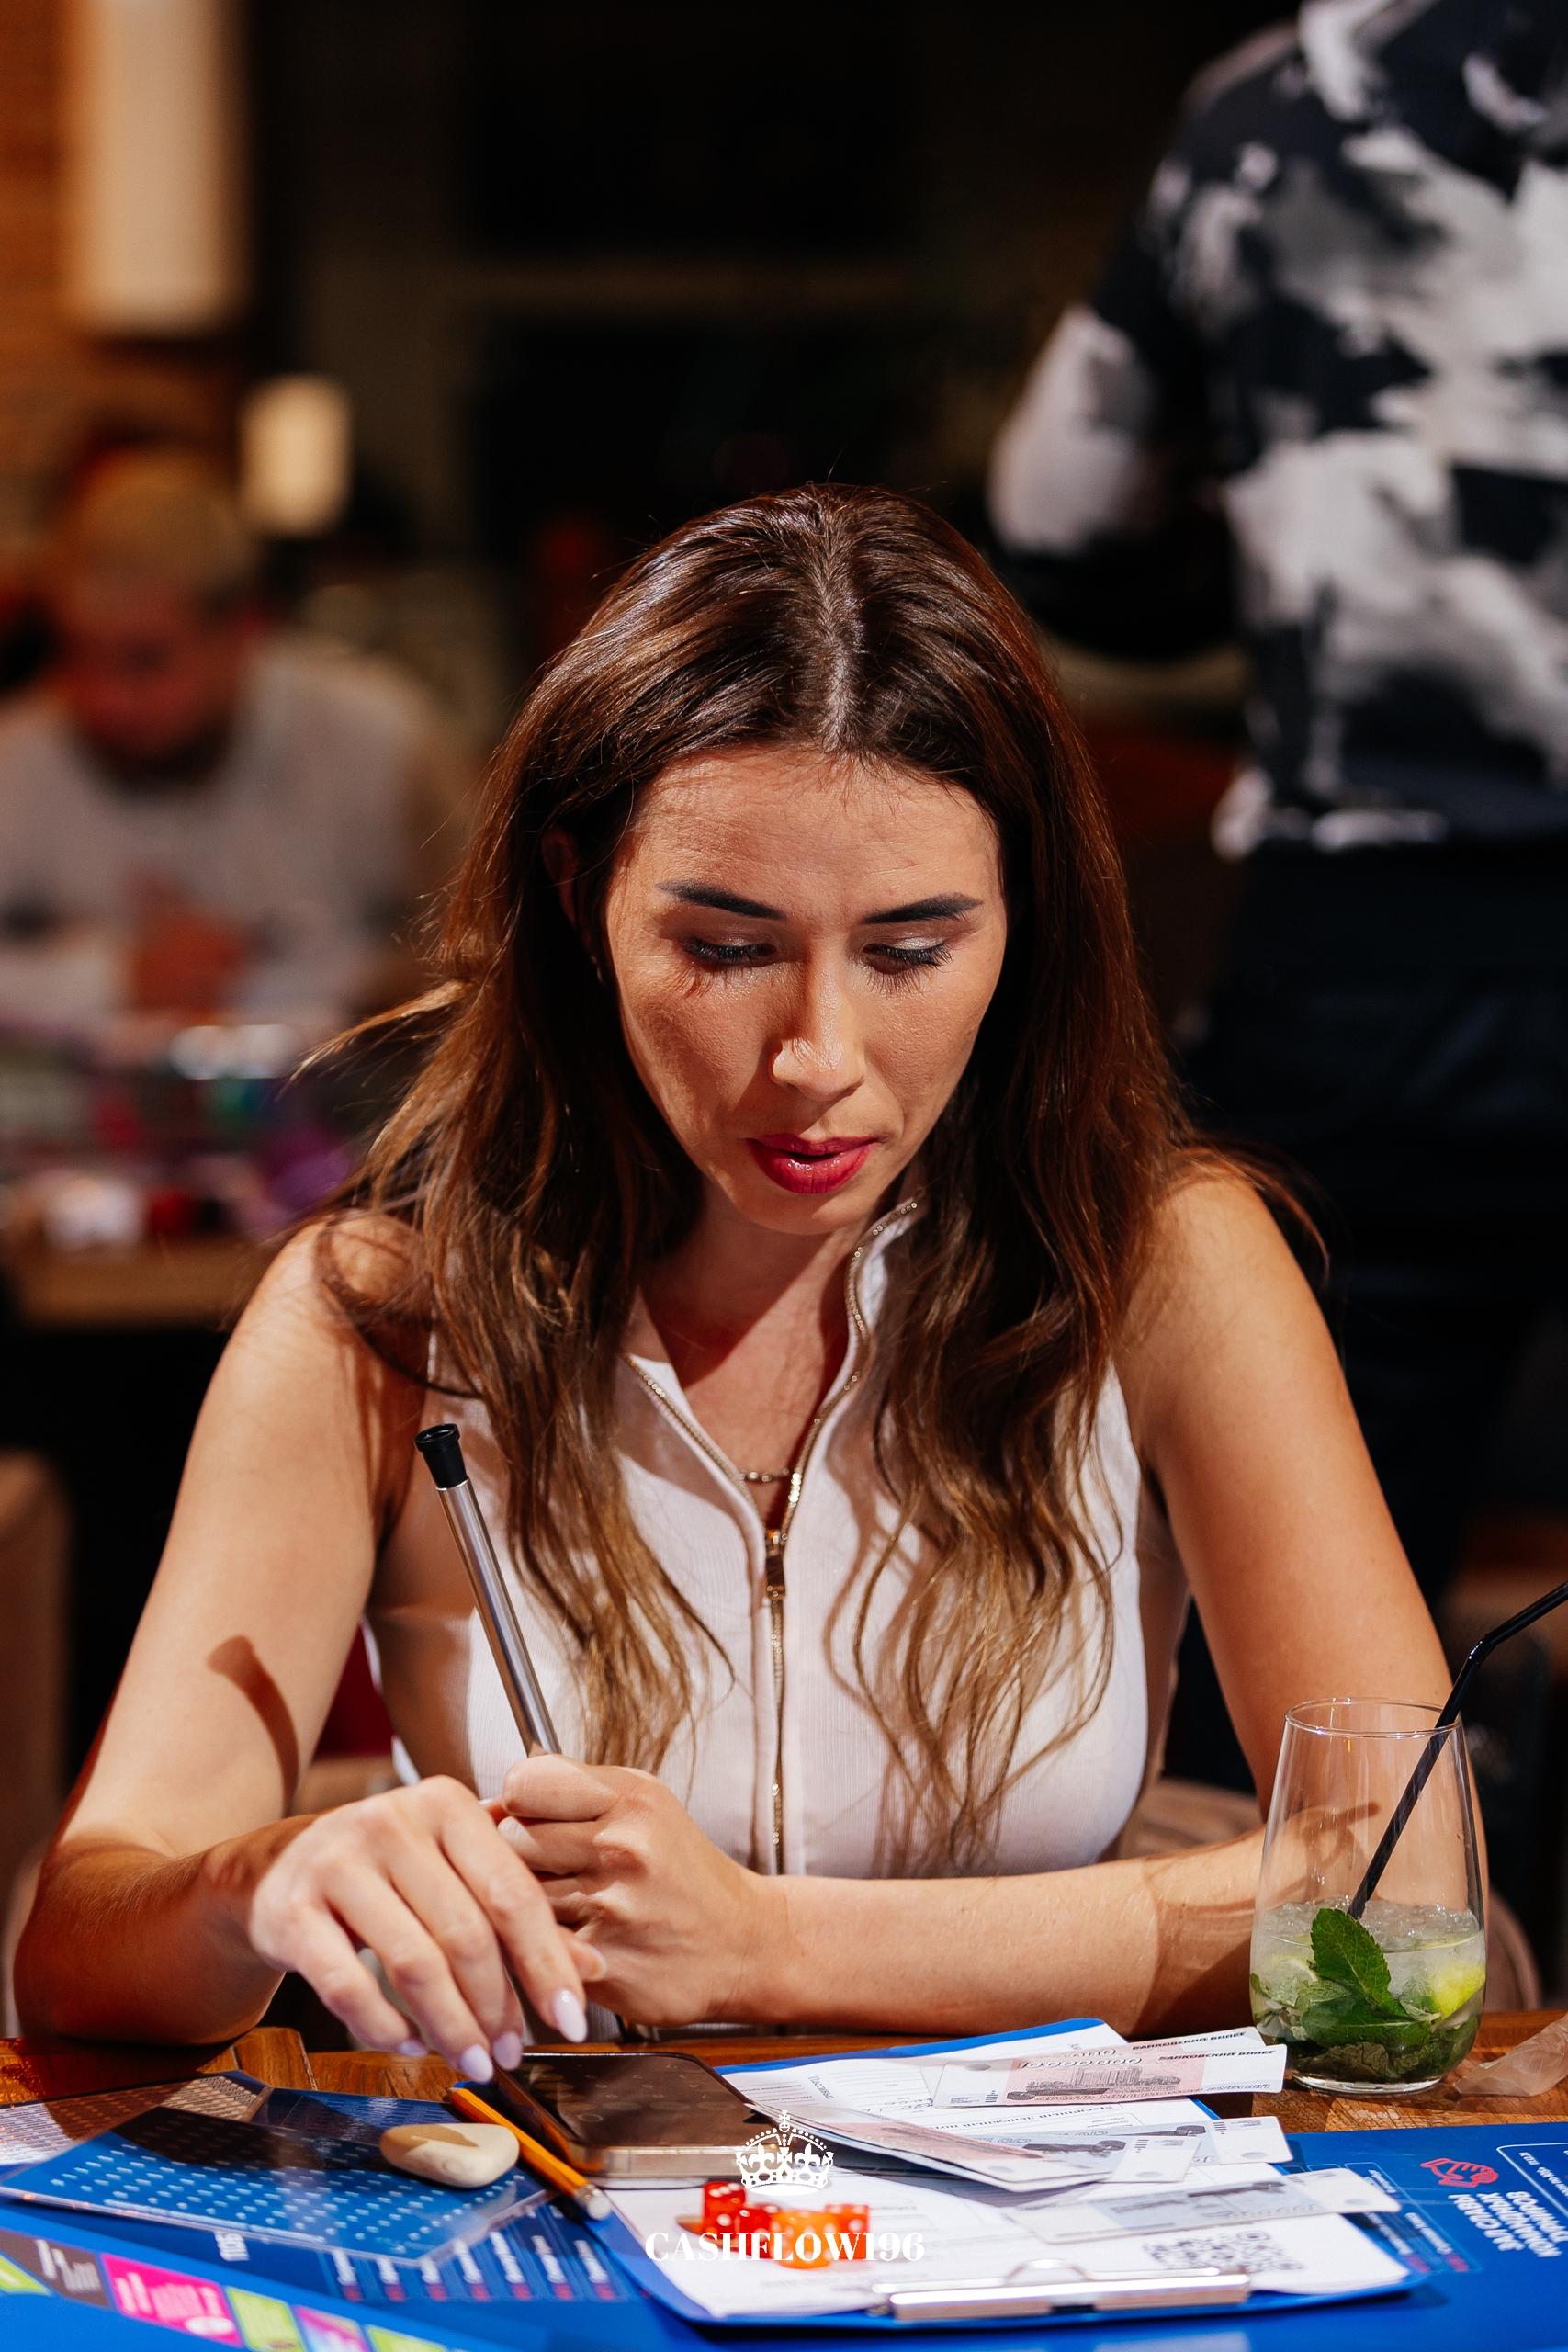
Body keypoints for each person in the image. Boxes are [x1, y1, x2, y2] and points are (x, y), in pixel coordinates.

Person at [15, 486, 1446, 2066]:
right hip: (570, 2198)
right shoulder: (382, 1315)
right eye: (725, 948)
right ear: (580, 897)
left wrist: (764, 1942)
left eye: (909, 951)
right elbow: (80, 1951)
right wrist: (257, 1884)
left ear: (1022, 922)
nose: (816, 1057)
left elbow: (1403, 1886)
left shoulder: (1165, 1267)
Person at [987, 1, 1568, 1762]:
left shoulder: (1279, 107)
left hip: (1379, 939)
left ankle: (1332, 1939)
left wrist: (1288, 557)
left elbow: (1062, 517)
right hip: (1385, 947)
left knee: (1296, 1638)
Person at [0, 451, 468, 1027]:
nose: (105, 698)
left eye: (145, 660)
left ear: (245, 628)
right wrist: (113, 977)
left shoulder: (380, 739)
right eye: (78, 655)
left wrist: (352, 982)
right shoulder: (20, 754)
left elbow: (488, 948)